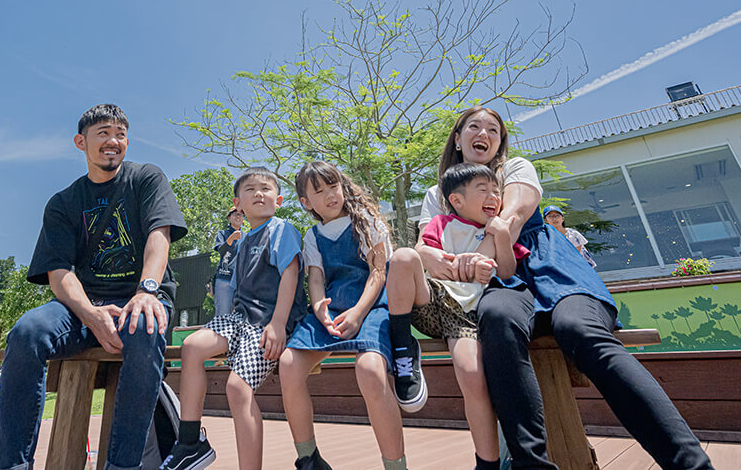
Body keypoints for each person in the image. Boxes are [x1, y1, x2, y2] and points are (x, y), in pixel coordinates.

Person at [422, 106, 713, 470]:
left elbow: (511, 218)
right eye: (474, 127)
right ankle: (531, 464)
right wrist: (439, 261)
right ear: (458, 138)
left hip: (545, 263)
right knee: (496, 319)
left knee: (579, 328)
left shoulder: (516, 169)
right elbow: (426, 246)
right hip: (499, 280)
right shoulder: (438, 193)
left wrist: (476, 258)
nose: (484, 133)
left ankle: (690, 464)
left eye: (494, 130)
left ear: (501, 142)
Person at [0, 104, 188, 470]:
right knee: (26, 333)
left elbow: (159, 237)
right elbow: (58, 273)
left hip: (141, 296)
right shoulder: (63, 203)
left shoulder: (146, 178)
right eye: (103, 133)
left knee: (146, 325)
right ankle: (12, 465)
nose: (113, 141)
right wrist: (90, 314)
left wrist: (147, 290)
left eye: (120, 134)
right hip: (84, 303)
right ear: (80, 142)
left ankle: (124, 464)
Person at [161, 167, 305, 470]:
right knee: (191, 346)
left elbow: (290, 275)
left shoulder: (281, 229)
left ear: (278, 200)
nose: (259, 194)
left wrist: (278, 324)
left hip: (269, 321)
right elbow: (238, 290)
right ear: (238, 203)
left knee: (237, 388)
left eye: (266, 189)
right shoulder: (240, 242)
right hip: (240, 319)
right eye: (250, 189)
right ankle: (189, 440)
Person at [386, 163, 524, 470]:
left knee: (472, 376)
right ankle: (402, 346)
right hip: (432, 303)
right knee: (402, 256)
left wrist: (501, 238)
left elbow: (508, 271)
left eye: (496, 190)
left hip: (466, 318)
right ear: (457, 200)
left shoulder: (496, 228)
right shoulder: (441, 223)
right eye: (483, 190)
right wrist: (439, 260)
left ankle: (486, 463)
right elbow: (423, 253)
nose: (493, 196)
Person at [280, 161, 402, 470]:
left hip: (370, 306)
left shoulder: (368, 221)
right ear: (306, 202)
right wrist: (320, 309)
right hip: (332, 310)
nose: (331, 195)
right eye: (319, 191)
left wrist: (359, 313)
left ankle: (395, 465)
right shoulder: (312, 236)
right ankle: (309, 459)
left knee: (371, 371)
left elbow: (378, 272)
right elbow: (316, 279)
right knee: (289, 364)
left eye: (333, 186)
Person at [212, 207, 245, 315]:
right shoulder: (222, 234)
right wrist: (231, 239)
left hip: (241, 282)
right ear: (229, 217)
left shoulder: (247, 236)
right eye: (235, 214)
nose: (238, 216)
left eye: (241, 214)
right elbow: (221, 251)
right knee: (222, 315)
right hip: (224, 278)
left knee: (240, 316)